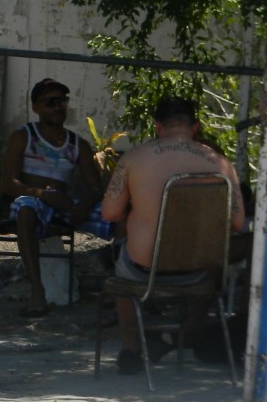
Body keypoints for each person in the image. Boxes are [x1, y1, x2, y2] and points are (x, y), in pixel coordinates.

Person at [100, 97, 246, 374]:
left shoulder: (133, 159)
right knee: (219, 260)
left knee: (121, 270)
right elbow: (238, 222)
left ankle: (130, 347)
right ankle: (185, 331)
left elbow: (109, 214)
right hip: (199, 271)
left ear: (157, 127)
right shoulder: (222, 164)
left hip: (144, 272)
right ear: (195, 127)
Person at [0, 78, 105, 316]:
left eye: (62, 102)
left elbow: (96, 187)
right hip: (32, 199)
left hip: (63, 204)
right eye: (50, 102)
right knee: (26, 210)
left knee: (119, 217)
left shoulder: (77, 144)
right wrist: (41, 194)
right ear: (36, 107)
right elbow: (9, 184)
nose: (58, 107)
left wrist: (85, 204)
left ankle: (124, 290)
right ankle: (38, 291)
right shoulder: (23, 136)